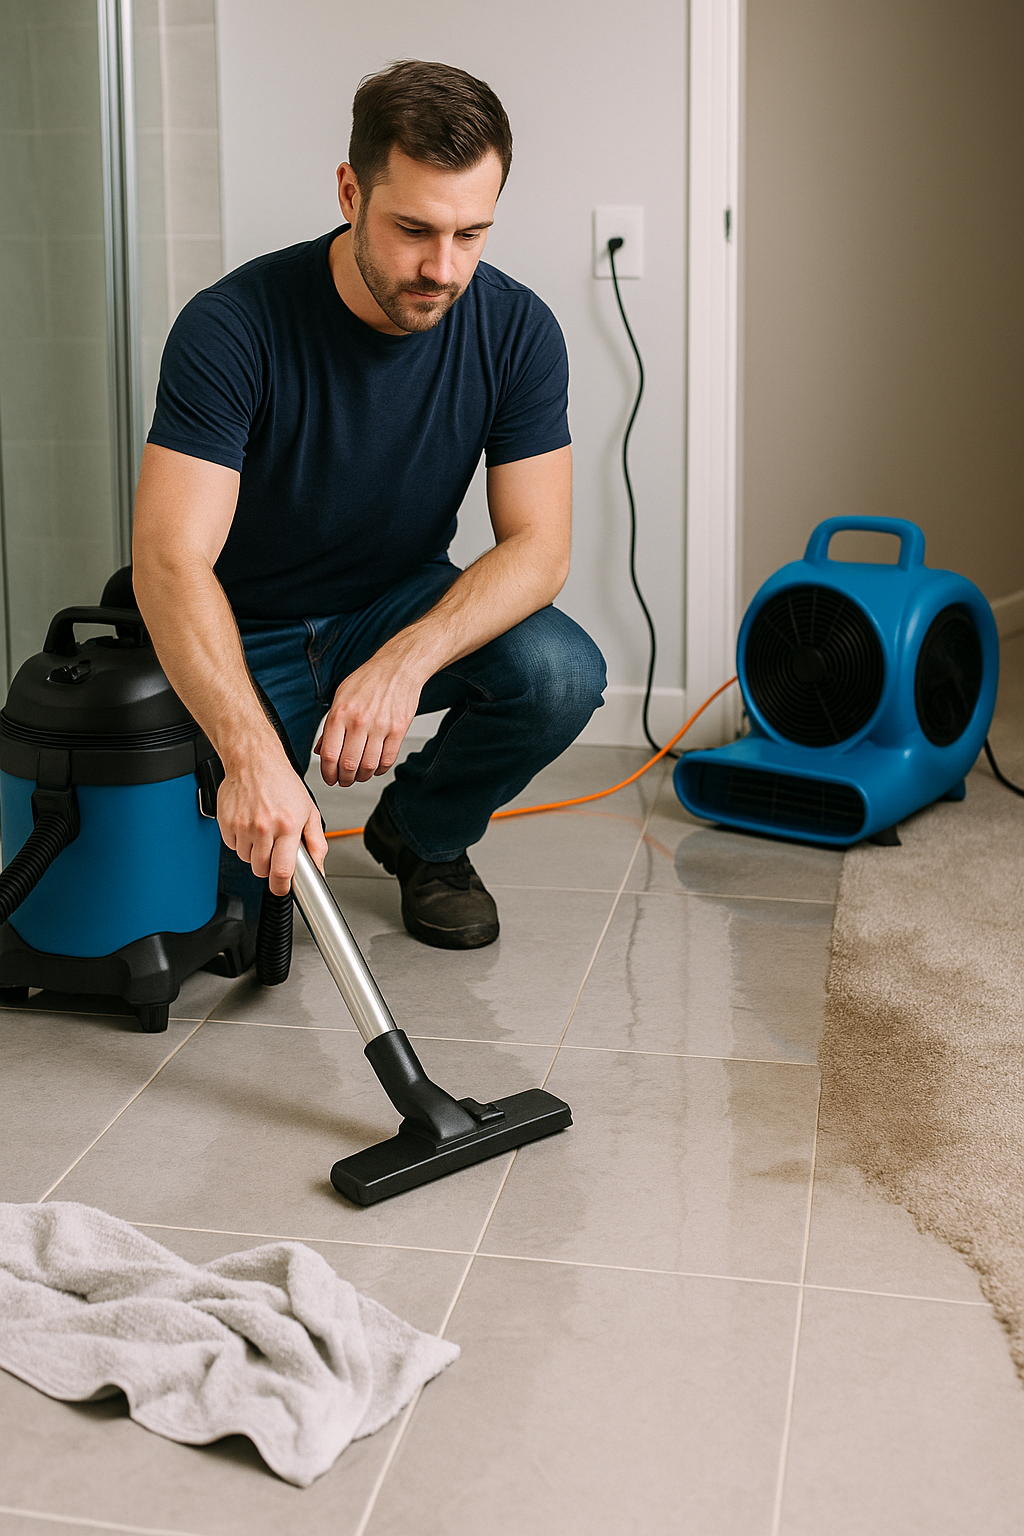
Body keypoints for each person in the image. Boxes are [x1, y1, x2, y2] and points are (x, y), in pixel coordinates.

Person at [132, 59, 606, 951]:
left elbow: (540, 548)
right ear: (350, 191)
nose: (443, 267)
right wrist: (250, 752)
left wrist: (404, 661)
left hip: (394, 603)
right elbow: (169, 558)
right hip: (248, 627)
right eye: (414, 229)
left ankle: (423, 834)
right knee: (229, 919)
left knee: (560, 673)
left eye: (472, 233)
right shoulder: (231, 328)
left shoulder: (517, 331)